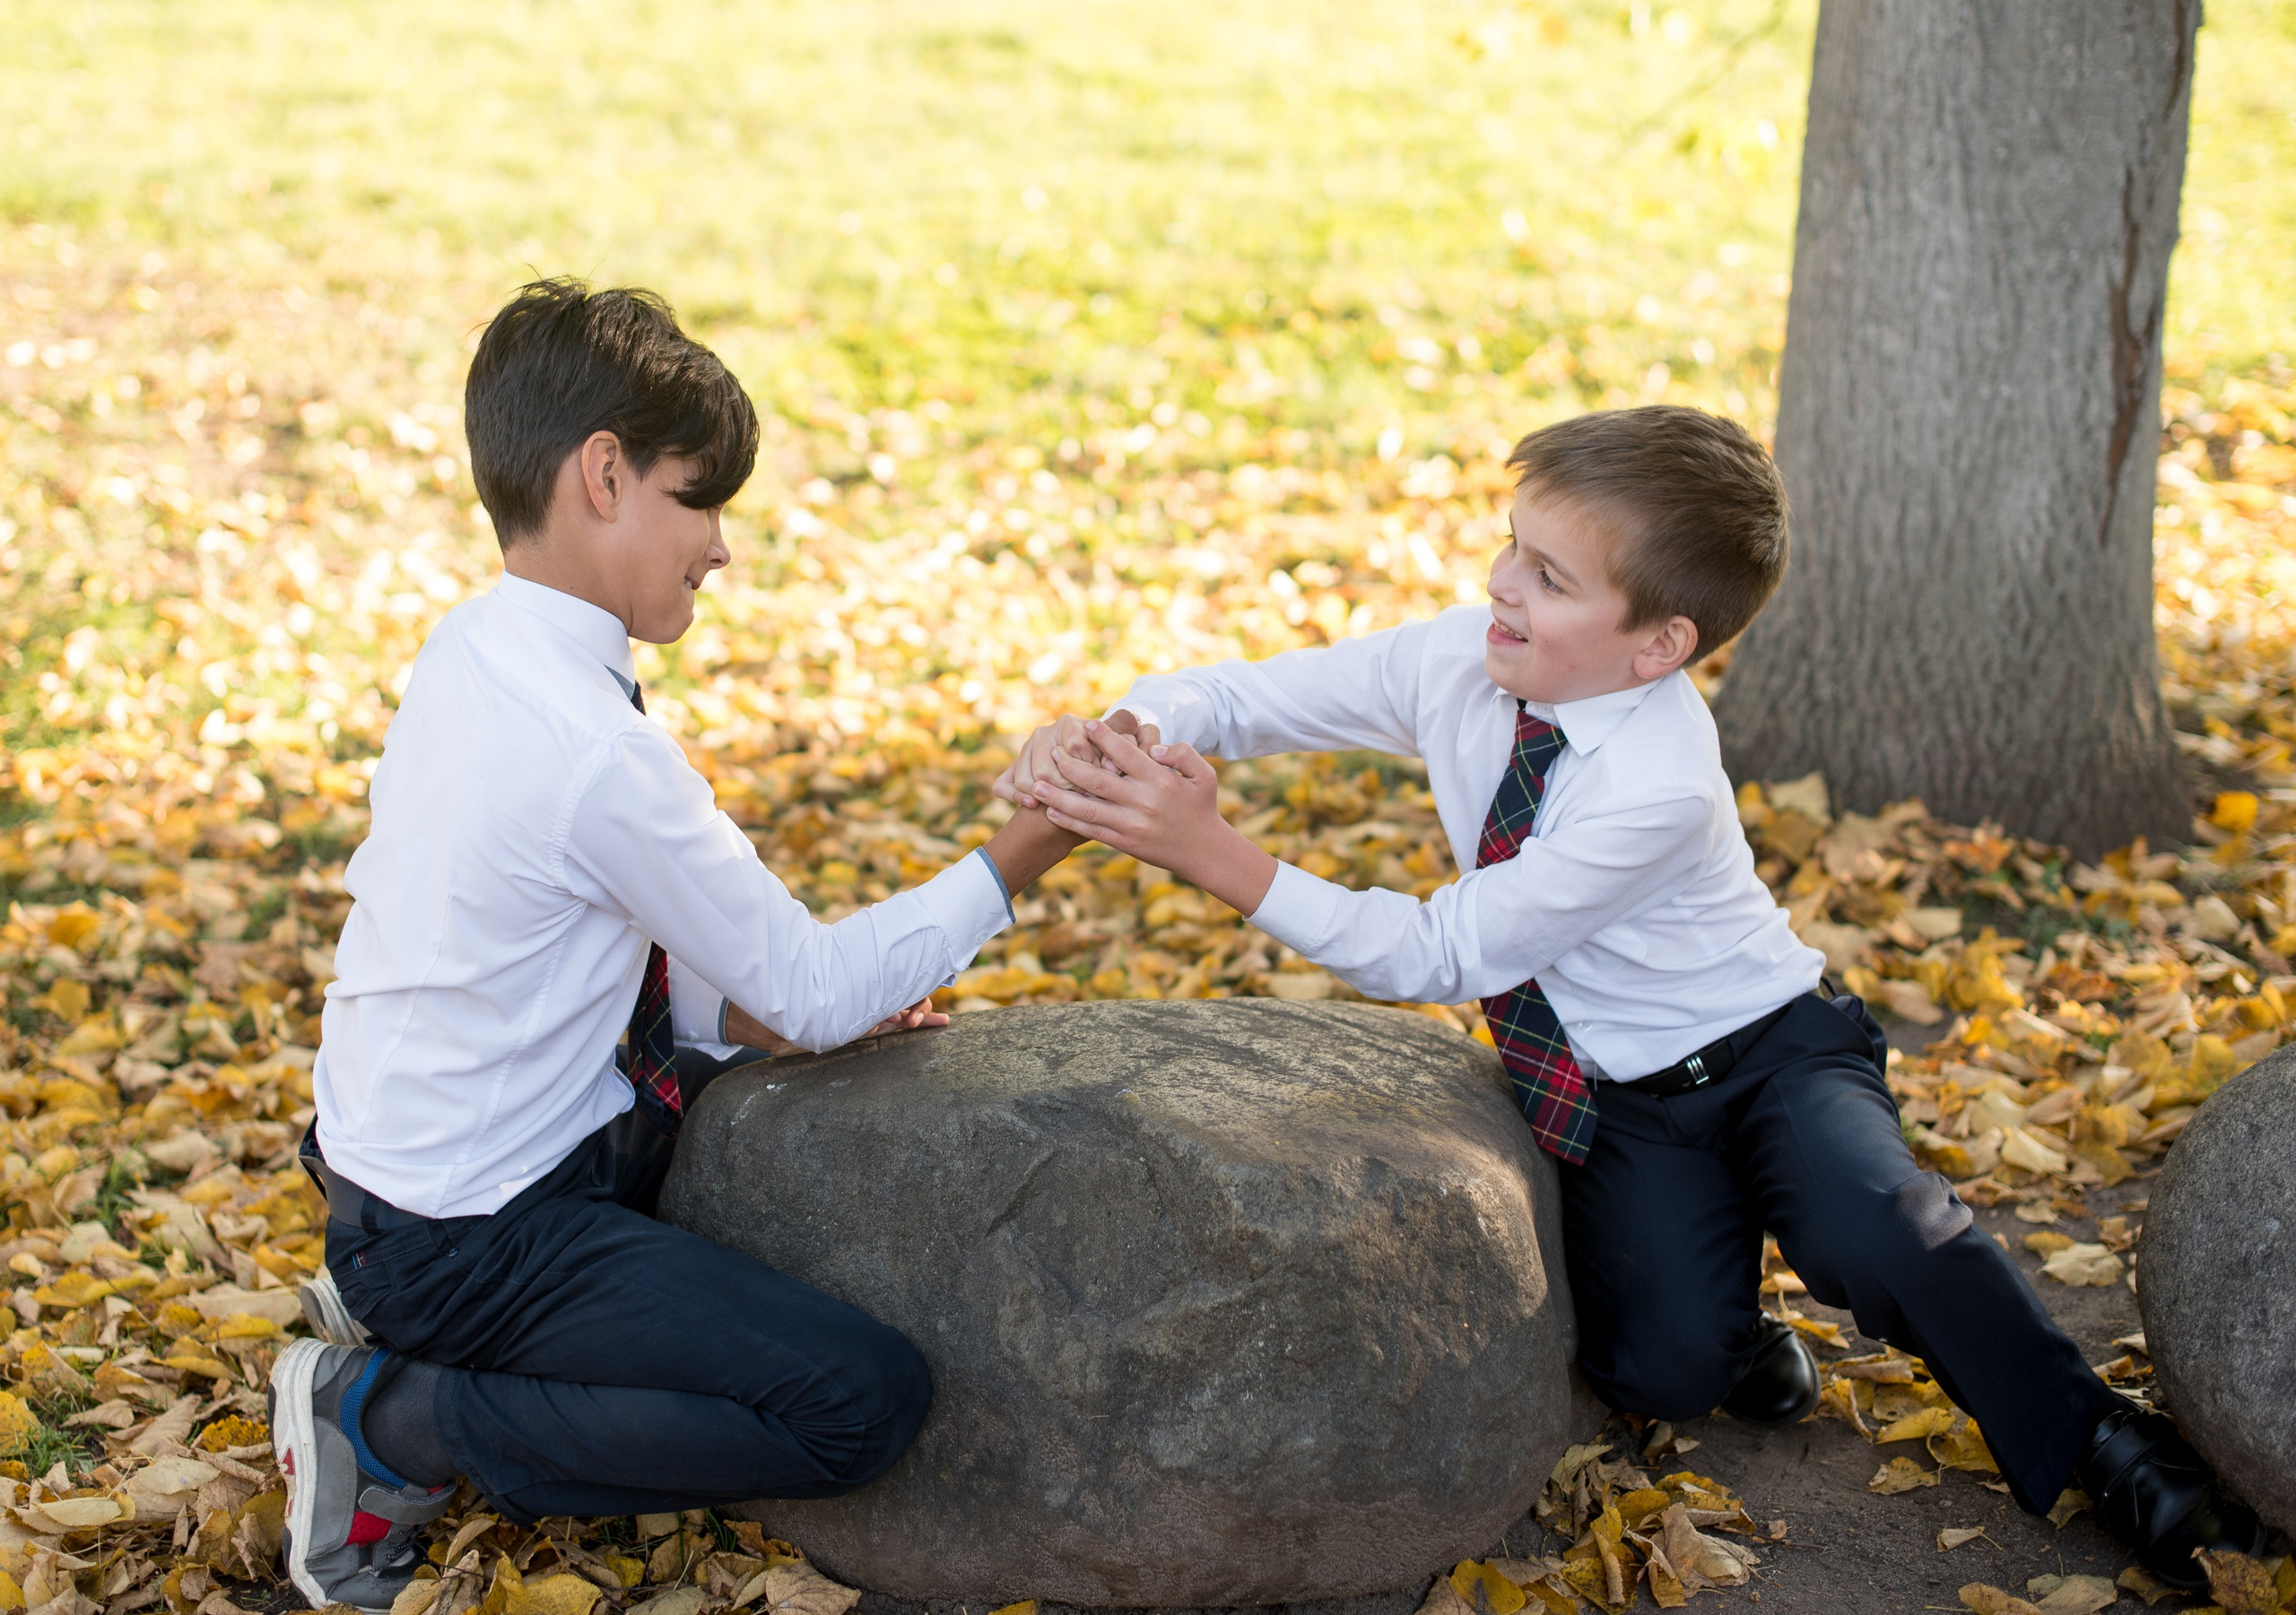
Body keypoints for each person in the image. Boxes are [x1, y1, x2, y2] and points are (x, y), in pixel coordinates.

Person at [1004, 405, 2266, 1593]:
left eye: (1553, 577)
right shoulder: (1460, 659)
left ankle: (2105, 1445)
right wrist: (1114, 736)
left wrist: (1208, 850)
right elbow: (1232, 696)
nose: (1503, 582)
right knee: (1660, 1367)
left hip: (1772, 1052)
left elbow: (1443, 953)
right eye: (1514, 545)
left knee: (1876, 1223)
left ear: (1660, 645)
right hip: (1623, 1097)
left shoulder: (1653, 780)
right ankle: (1743, 1331)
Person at [271, 278, 1082, 1613]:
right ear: (604, 474)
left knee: (765, 1076)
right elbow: (813, 989)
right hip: (476, 1227)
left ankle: (386, 1303)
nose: (720, 547)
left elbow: (620, 936)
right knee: (859, 1398)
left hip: (403, 1166)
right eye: (698, 498)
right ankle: (395, 1417)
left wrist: (751, 1018)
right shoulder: (594, 749)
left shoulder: (476, 649)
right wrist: (1027, 851)